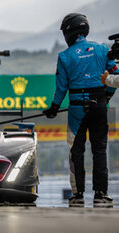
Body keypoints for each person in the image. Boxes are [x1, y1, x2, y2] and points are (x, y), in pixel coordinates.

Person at [43, 13, 119, 207]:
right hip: (100, 106)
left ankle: (77, 196)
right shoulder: (103, 49)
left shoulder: (64, 56)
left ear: (68, 32)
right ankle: (101, 194)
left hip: (77, 109)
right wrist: (106, 96)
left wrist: (54, 108)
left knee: (75, 152)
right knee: (100, 150)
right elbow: (114, 76)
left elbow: (61, 87)